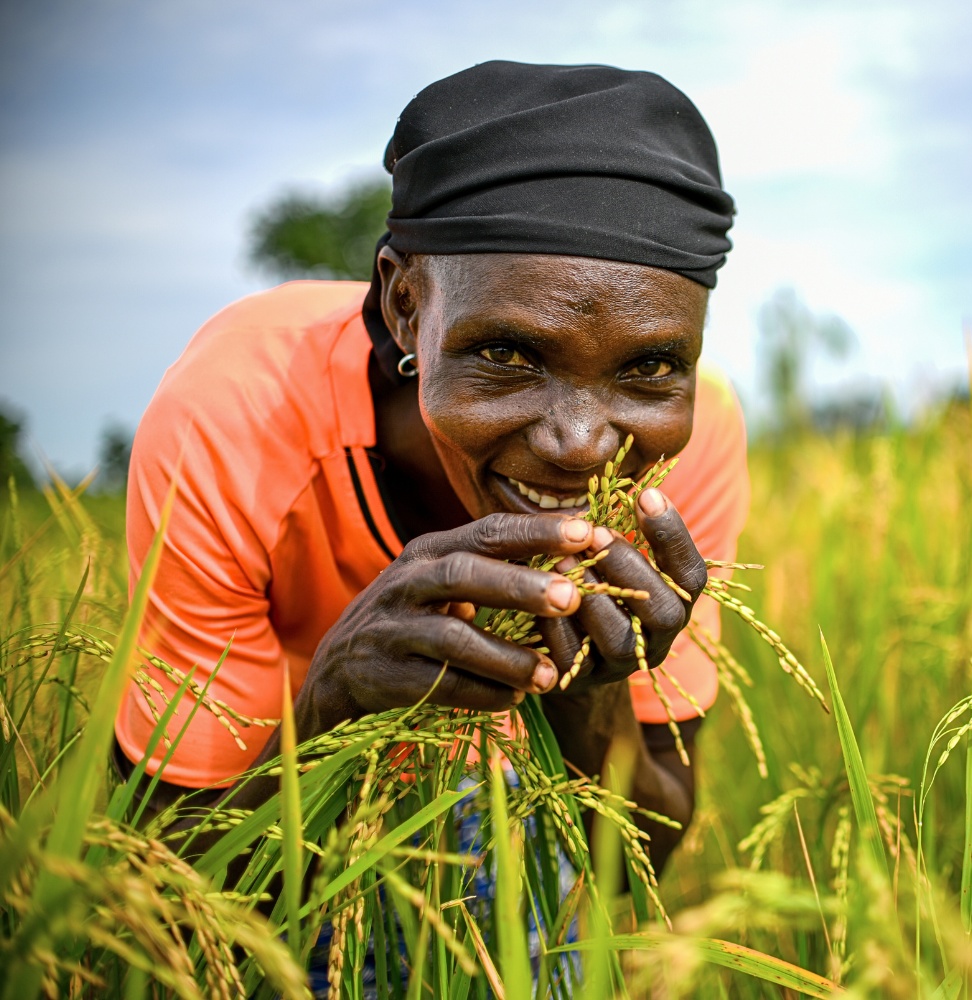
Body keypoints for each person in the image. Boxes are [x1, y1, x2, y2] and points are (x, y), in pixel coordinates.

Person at [112, 60, 748, 876]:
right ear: (405, 306)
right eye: (510, 354)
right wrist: (331, 707)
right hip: (278, 830)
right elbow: (164, 889)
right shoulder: (239, 412)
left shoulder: (676, 449)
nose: (584, 445)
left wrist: (591, 690)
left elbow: (633, 868)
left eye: (651, 367)